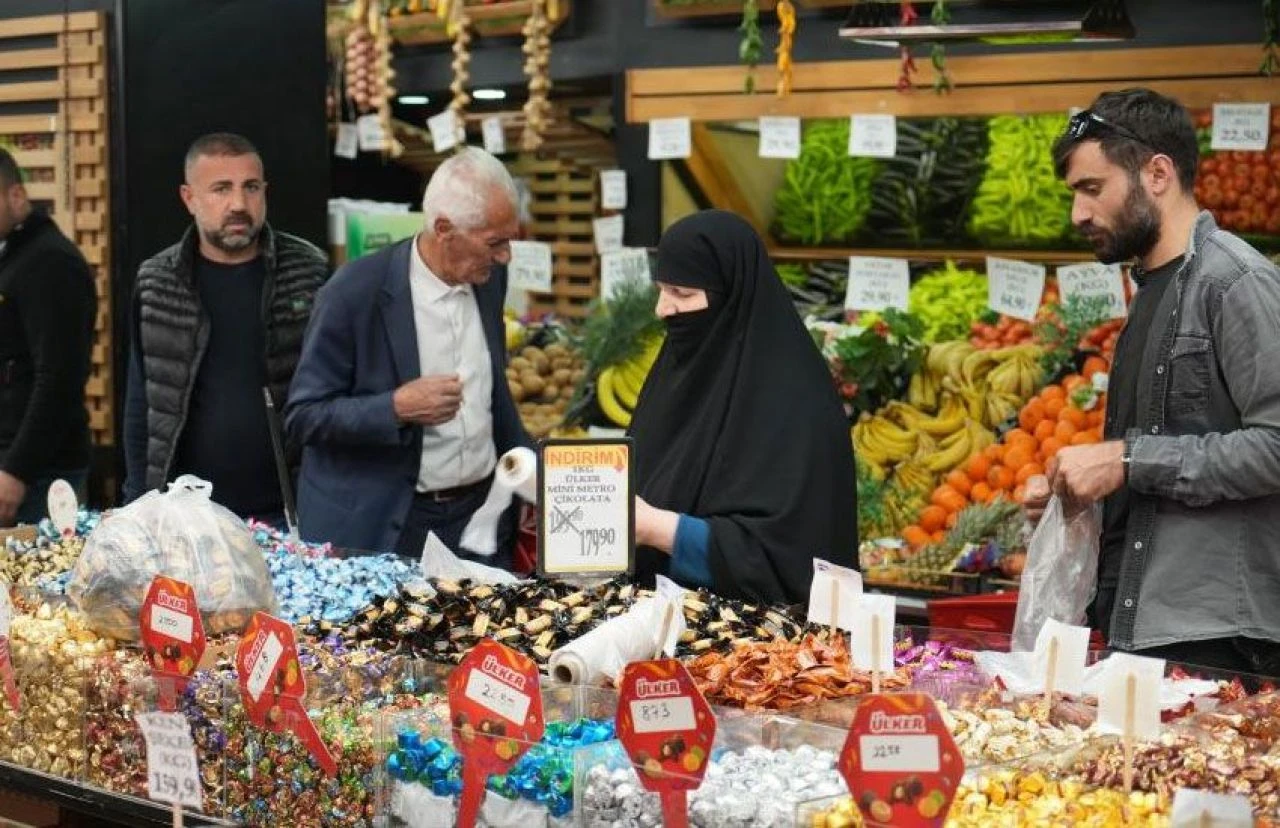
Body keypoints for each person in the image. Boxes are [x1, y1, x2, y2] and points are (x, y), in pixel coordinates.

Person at [1023, 88, 1280, 675]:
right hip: (1142, 623)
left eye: (1093, 189)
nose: (1078, 215)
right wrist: (1082, 490)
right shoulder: (1150, 291)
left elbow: (1276, 445)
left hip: (1219, 639)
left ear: (1157, 173)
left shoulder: (1236, 283)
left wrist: (1129, 462)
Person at [286, 147, 528, 564]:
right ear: (443, 229)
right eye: (495, 242)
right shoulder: (353, 293)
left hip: (479, 521)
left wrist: (532, 470)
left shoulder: (488, 278)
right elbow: (303, 416)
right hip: (390, 526)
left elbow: (494, 393)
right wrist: (395, 407)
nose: (506, 255)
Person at [629, 210, 857, 605]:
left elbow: (792, 558)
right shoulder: (678, 377)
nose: (663, 309)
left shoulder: (796, 405)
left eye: (682, 294)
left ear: (729, 297)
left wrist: (659, 529)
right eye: (662, 290)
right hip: (650, 631)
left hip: (755, 655)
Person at [123, 133, 328, 521]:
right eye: (221, 189)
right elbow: (141, 406)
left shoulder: (308, 271)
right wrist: (138, 506)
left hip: (289, 509)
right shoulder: (157, 280)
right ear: (189, 198)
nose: (239, 204)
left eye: (250, 188)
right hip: (186, 513)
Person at [0, 150, 95, 525]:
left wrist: (16, 470)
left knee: (41, 584)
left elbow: (59, 377)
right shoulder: (11, 259)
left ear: (17, 197)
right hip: (14, 464)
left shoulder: (50, 263)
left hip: (37, 477)